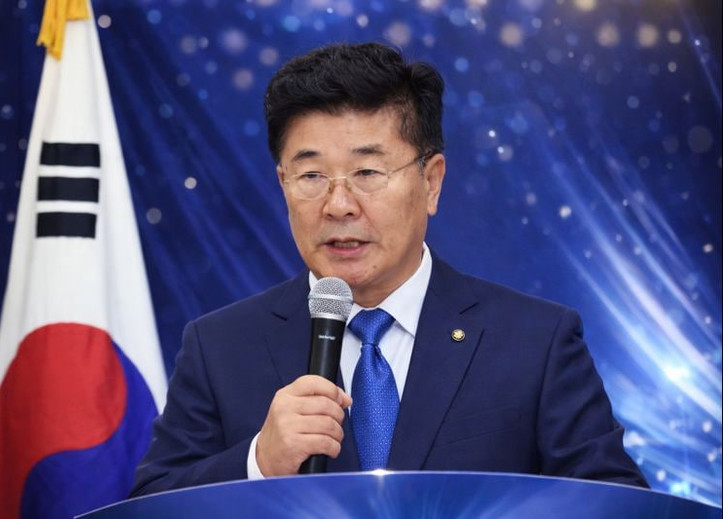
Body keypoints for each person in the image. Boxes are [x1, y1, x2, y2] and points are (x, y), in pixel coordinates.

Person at [131, 42, 648, 495]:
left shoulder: (535, 341)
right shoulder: (219, 347)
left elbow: (616, 506)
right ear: (282, 183)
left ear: (432, 182)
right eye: (311, 175)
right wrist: (259, 462)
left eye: (367, 172)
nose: (338, 205)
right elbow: (148, 508)